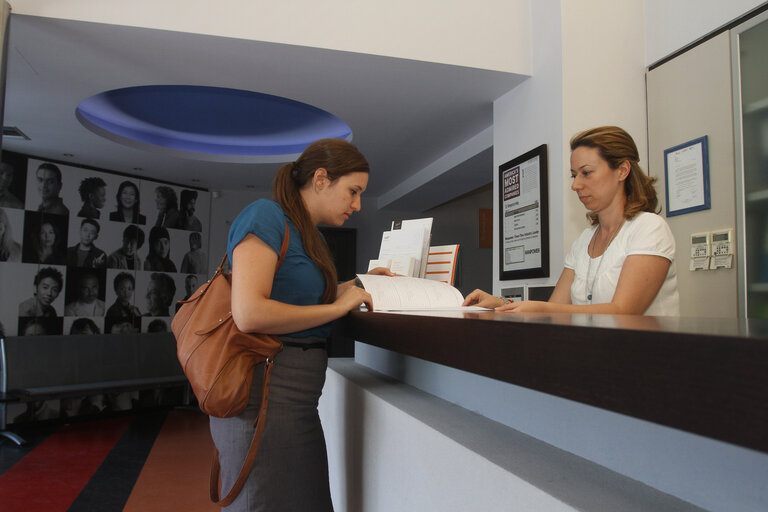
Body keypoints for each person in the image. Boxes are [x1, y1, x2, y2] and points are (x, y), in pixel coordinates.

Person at [209, 138, 394, 512]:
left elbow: (303, 296)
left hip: (297, 401)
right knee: (262, 502)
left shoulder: (311, 236)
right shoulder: (265, 216)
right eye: (353, 192)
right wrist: (338, 307)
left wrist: (359, 283)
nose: (357, 205)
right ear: (321, 178)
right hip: (264, 394)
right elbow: (249, 313)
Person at [464, 126, 680, 316]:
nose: (575, 185)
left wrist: (542, 309)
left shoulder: (649, 228)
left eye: (586, 173)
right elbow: (556, 307)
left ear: (622, 170)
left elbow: (624, 312)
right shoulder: (585, 240)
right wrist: (501, 304)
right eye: (574, 175)